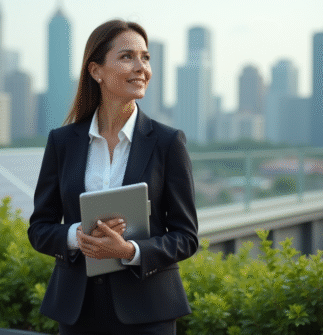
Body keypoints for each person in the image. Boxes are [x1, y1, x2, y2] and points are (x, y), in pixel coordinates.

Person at [28, 19, 198, 335]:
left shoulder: (167, 142)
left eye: (145, 58)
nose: (141, 68)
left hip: (148, 312)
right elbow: (39, 229)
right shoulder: (62, 142)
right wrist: (76, 235)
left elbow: (186, 237)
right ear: (96, 72)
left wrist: (129, 251)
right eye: (126, 57)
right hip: (78, 311)